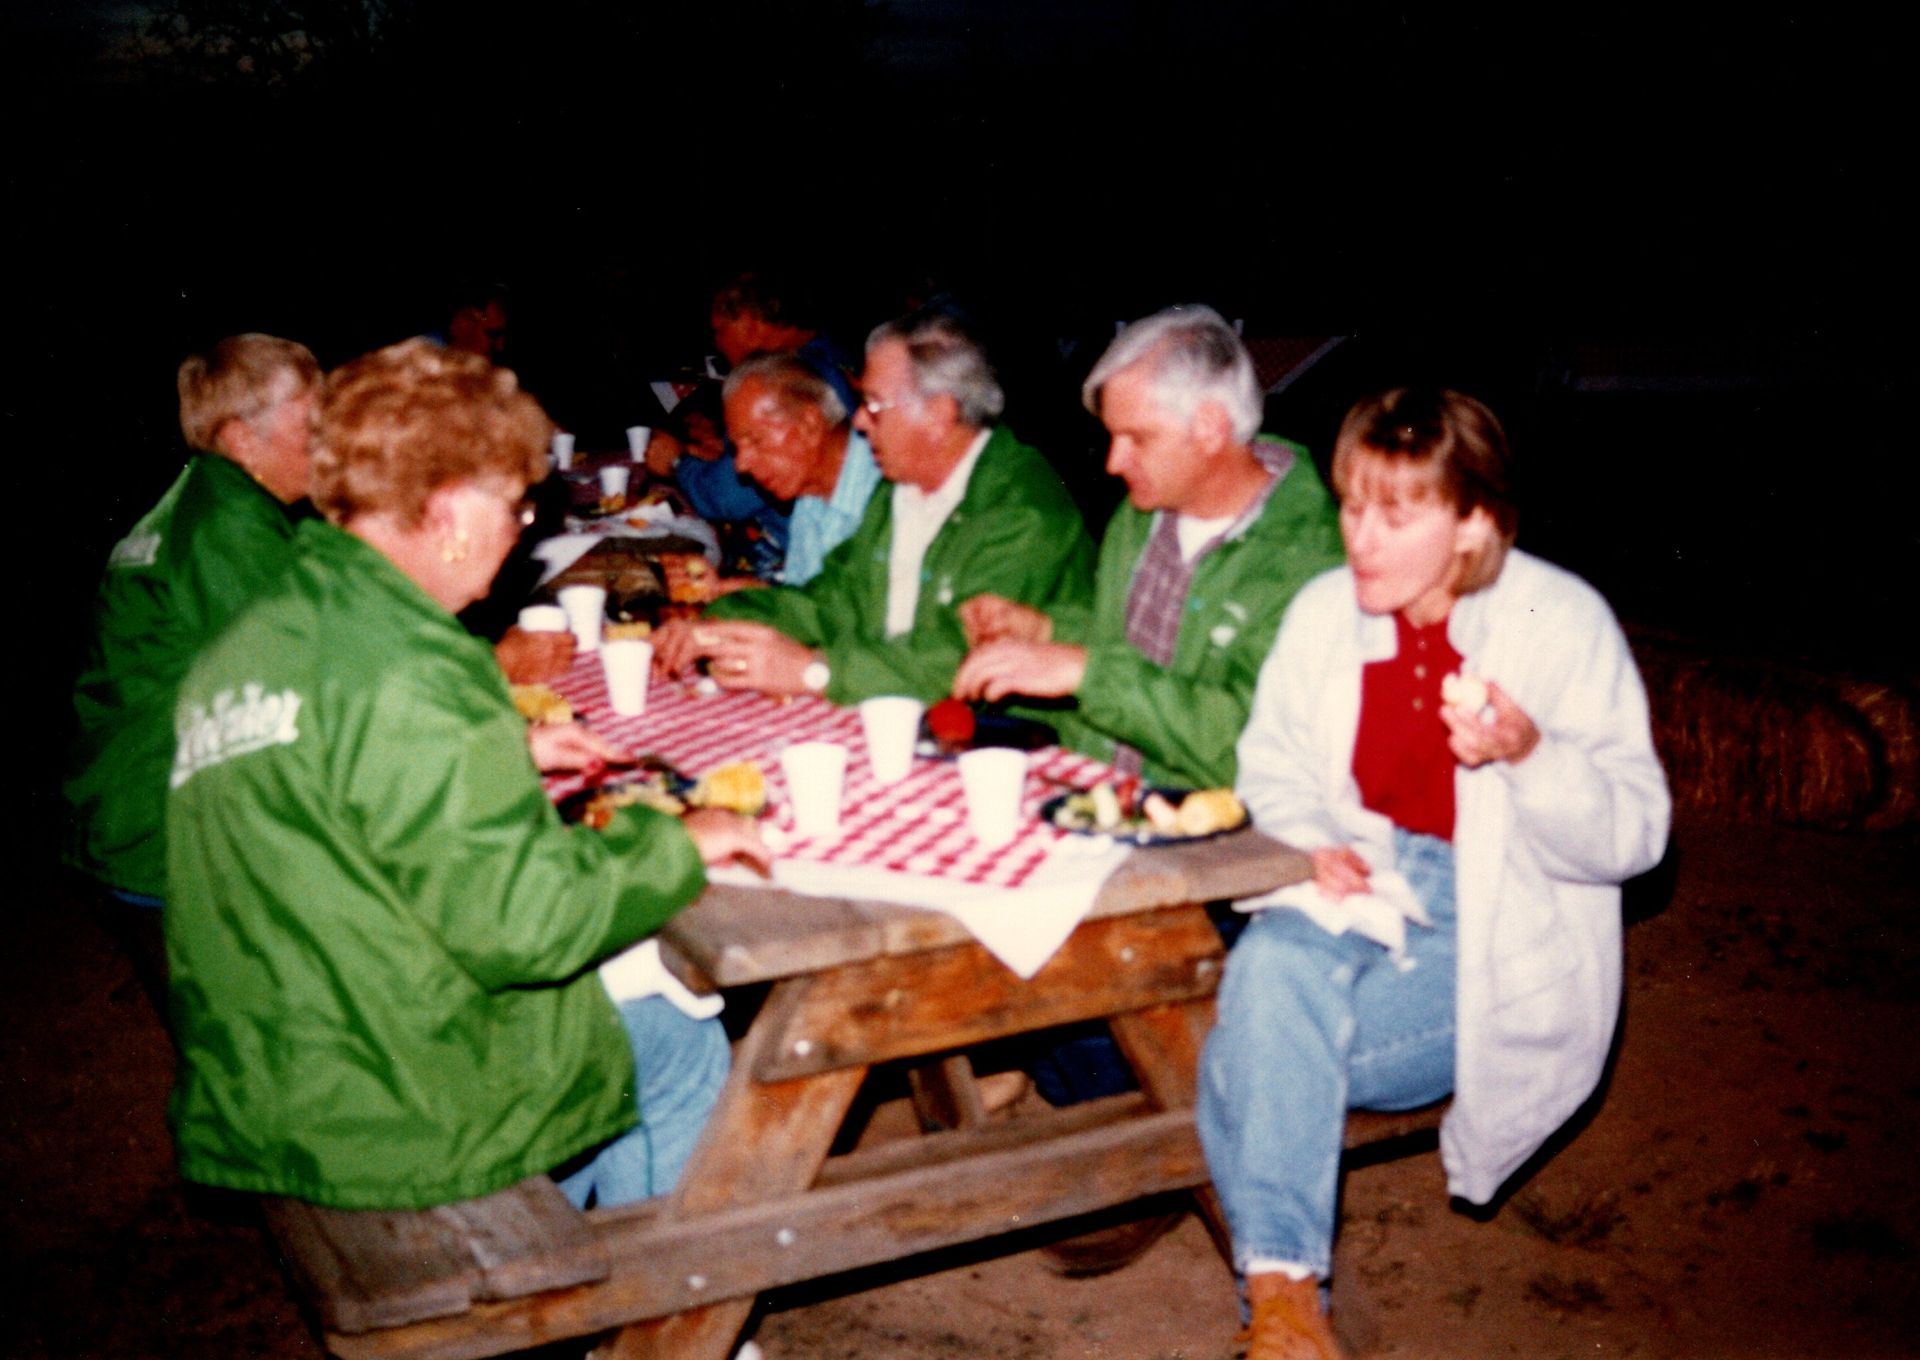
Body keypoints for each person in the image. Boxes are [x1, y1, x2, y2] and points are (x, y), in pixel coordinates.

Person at [165, 339, 769, 1211]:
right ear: (448, 510)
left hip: (267, 1075)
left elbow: (333, 776)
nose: (523, 528)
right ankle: (656, 1332)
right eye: (517, 506)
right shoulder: (420, 668)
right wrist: (672, 841)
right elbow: (524, 923)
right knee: (677, 1041)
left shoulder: (263, 630)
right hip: (390, 1106)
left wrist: (499, 751)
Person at [1197, 389, 1670, 1359]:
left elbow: (1637, 835)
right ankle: (1288, 1307)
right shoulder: (1328, 612)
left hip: (1496, 921)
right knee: (1273, 976)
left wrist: (1531, 755)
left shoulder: (1557, 617)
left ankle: (1280, 1307)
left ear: (1474, 521)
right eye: (1349, 504)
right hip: (1356, 887)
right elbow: (1271, 763)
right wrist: (1308, 839)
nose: (1358, 537)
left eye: (1394, 512)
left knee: (1242, 1056)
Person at [953, 304, 1343, 790]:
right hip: (1096, 790)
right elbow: (1132, 647)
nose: (1114, 461)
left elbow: (1253, 746)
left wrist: (1085, 673)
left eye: (1137, 437)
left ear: (1210, 427)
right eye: (1112, 437)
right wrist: (1045, 629)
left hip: (1220, 830)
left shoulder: (1310, 557)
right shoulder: (1144, 515)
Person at [653, 308, 1096, 704]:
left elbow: (960, 657)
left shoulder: (1020, 507)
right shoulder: (900, 492)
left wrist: (813, 670)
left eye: (874, 404)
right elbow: (829, 602)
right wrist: (712, 626)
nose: (859, 420)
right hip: (894, 713)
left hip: (1004, 742)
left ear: (939, 414)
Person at [65, 334, 321, 1002]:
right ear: (240, 439)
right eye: (310, 427)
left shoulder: (210, 501)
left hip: (134, 816)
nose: (328, 444)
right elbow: (319, 681)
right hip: (164, 834)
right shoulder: (227, 524)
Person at [659, 352, 882, 603]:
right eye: (736, 448)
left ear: (809, 424)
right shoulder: (811, 497)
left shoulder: (888, 495)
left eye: (755, 440)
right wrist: (725, 589)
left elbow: (866, 632)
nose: (741, 466)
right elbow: (812, 605)